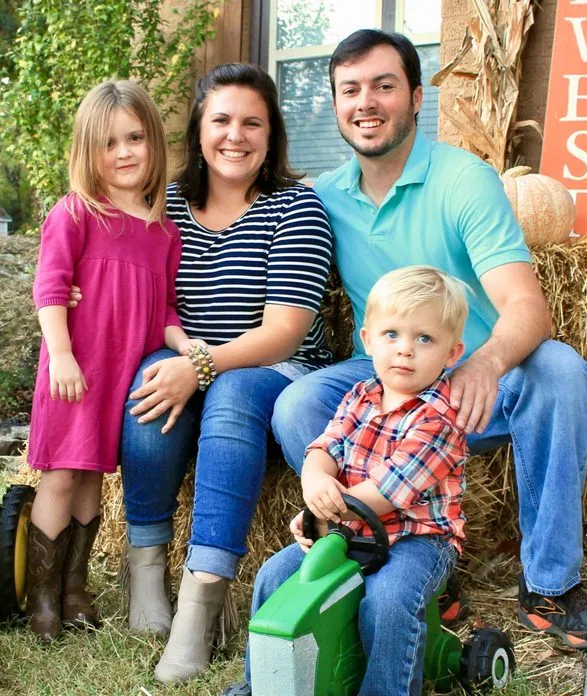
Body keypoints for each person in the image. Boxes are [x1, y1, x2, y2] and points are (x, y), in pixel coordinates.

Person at [271, 28, 587, 649]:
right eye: (350, 90)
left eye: (384, 86)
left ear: (415, 97)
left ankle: (550, 586)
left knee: (561, 369)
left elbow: (528, 306)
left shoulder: (466, 181)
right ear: (334, 104)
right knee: (296, 403)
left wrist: (486, 364)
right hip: (384, 381)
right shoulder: (320, 197)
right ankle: (398, 556)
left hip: (478, 387)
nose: (366, 102)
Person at [117, 63, 334, 683]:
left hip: (276, 370)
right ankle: (146, 566)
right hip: (184, 352)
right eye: (221, 120)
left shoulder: (297, 207)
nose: (234, 135)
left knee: (233, 388)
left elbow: (284, 331)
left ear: (271, 136)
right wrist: (183, 359)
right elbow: (142, 298)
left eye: (251, 123)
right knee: (151, 378)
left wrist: (204, 365)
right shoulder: (163, 210)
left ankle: (200, 603)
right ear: (198, 129)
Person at [226, 265, 469, 696]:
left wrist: (322, 516)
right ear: (367, 339)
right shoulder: (360, 396)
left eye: (424, 339)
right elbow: (325, 446)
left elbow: (388, 492)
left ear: (452, 354)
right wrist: (314, 483)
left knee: (388, 600)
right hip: (351, 531)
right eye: (392, 334)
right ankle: (258, 683)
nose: (405, 351)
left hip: (419, 540)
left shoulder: (440, 418)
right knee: (274, 575)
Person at [25, 80, 198, 643]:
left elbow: (165, 307)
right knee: (60, 477)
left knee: (93, 479)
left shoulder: (162, 232)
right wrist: (62, 355)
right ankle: (42, 599)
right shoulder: (76, 213)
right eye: (109, 142)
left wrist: (185, 345)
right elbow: (50, 289)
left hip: (121, 378)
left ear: (153, 143)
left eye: (135, 138)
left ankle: (75, 591)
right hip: (74, 370)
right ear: (87, 151)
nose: (124, 153)